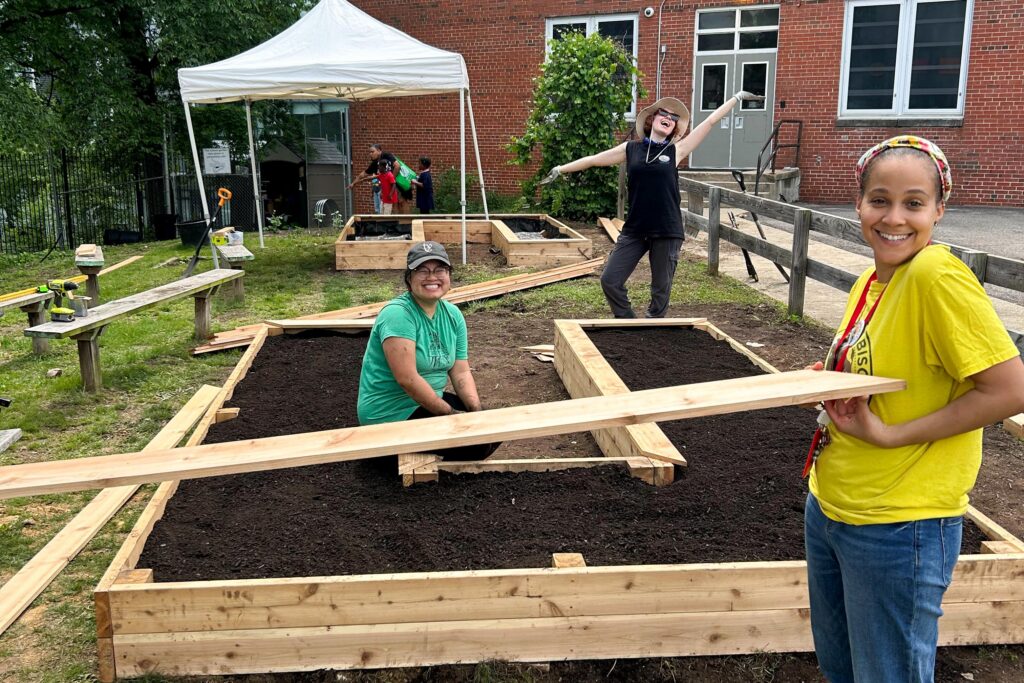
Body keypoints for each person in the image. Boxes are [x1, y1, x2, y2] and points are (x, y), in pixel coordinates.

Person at [803, 135, 1024, 683]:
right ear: (858, 204)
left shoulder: (934, 275)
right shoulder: (871, 281)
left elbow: (1009, 389)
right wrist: (832, 378)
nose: (893, 217)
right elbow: (890, 369)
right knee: (844, 670)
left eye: (913, 202)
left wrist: (889, 436)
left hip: (900, 526)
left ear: (938, 210)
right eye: (879, 200)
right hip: (834, 507)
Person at [540, 91, 763, 318]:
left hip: (667, 229)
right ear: (651, 119)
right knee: (610, 280)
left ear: (674, 127)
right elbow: (593, 159)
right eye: (663, 113)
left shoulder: (676, 151)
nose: (668, 117)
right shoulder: (631, 149)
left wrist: (737, 98)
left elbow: (710, 121)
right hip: (635, 229)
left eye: (674, 117)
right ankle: (628, 321)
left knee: (660, 290)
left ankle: (652, 327)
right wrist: (561, 169)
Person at [357, 241, 501, 461]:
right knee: (476, 445)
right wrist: (451, 416)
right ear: (409, 279)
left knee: (496, 425)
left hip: (429, 400)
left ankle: (430, 449)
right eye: (422, 270)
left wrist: (475, 412)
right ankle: (387, 456)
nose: (431, 277)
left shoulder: (452, 315)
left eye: (439, 270)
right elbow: (408, 379)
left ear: (449, 275)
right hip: (391, 414)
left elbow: (460, 371)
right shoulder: (398, 315)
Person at [349, 143, 396, 213]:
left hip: (392, 186)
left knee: (391, 208)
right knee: (381, 209)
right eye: (369, 152)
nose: (370, 154)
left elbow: (397, 166)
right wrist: (354, 183)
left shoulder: (386, 155)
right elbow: (364, 175)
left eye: (372, 152)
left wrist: (390, 180)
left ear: (379, 150)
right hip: (382, 189)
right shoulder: (375, 163)